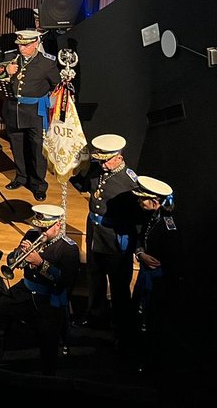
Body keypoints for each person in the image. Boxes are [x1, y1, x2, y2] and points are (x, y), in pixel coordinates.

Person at [0, 204, 80, 374]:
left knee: (47, 336)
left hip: (49, 298)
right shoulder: (32, 234)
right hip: (25, 290)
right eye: (39, 227)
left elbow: (65, 281)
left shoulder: (68, 248)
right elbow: (12, 261)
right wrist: (19, 252)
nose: (41, 232)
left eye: (45, 228)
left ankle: (48, 374)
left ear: (58, 225)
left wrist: (41, 264)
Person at [70, 133, 140, 333]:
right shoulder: (97, 170)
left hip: (114, 237)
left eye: (106, 160)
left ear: (119, 157)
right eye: (100, 160)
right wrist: (69, 172)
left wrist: (133, 246)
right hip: (95, 232)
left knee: (118, 284)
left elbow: (135, 219)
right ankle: (95, 316)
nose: (102, 164)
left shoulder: (129, 183)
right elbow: (85, 186)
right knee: (95, 276)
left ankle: (120, 324)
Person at [0, 30, 60, 199]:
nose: (22, 48)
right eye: (20, 45)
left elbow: (57, 86)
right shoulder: (11, 59)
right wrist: (6, 72)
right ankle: (21, 176)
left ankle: (38, 184)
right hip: (13, 110)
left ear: (36, 44)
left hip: (35, 113)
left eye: (26, 45)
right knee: (17, 146)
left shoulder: (47, 63)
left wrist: (48, 105)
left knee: (37, 150)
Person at [132, 175, 182, 368]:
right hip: (146, 277)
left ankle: (150, 360)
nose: (139, 201)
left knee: (152, 320)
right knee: (140, 316)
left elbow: (173, 260)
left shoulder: (169, 227)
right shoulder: (151, 218)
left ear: (155, 201)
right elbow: (140, 240)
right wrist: (140, 253)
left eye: (142, 198)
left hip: (159, 283)